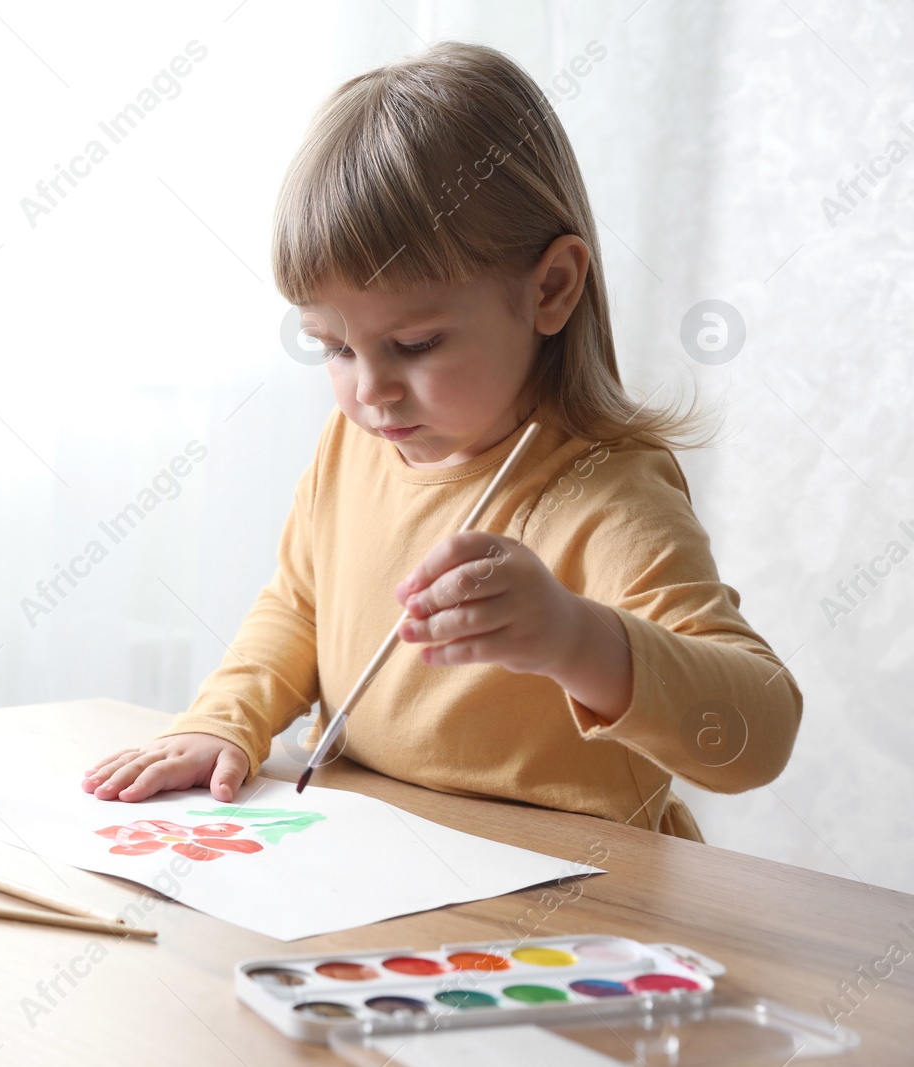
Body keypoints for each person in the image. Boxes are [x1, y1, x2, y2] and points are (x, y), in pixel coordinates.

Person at [81, 41, 800, 840]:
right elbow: (298, 608)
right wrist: (221, 721)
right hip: (374, 850)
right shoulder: (351, 447)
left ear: (552, 289)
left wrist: (576, 637)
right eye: (335, 347)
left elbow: (757, 735)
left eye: (416, 344)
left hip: (568, 899)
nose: (371, 389)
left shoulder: (609, 490)